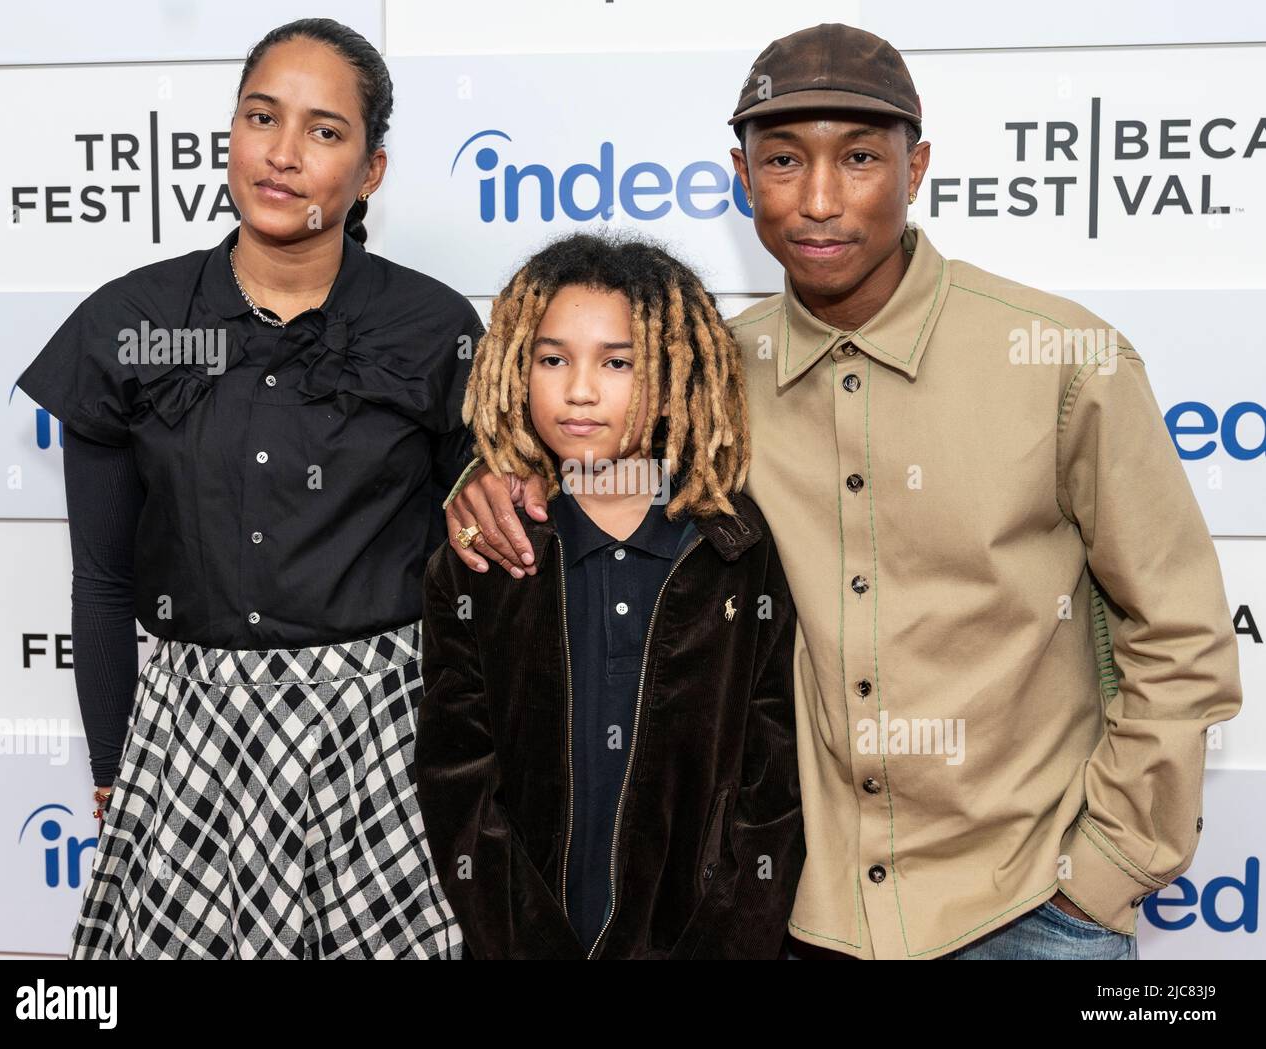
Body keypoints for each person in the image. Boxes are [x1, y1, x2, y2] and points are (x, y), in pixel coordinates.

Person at [439, 24, 1243, 960]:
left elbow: (1181, 637)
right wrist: (486, 480)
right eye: (783, 160)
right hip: (801, 922)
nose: (819, 200)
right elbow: (580, 444)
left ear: (919, 166)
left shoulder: (1063, 362)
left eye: (860, 157)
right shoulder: (710, 376)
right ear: (741, 179)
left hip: (1027, 911)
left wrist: (1104, 872)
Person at [14, 18, 475, 959]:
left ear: (372, 170)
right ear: (229, 132)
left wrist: (468, 758)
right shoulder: (130, 322)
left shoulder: (432, 326)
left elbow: (470, 570)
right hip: (188, 745)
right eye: (261, 117)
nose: (283, 153)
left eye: (325, 130)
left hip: (381, 742)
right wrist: (111, 767)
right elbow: (101, 583)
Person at [413, 232, 805, 959]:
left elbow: (772, 789)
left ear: (674, 373)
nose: (580, 389)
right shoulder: (485, 559)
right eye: (552, 358)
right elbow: (457, 778)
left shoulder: (737, 554)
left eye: (617, 362)